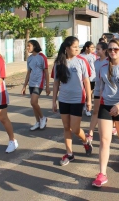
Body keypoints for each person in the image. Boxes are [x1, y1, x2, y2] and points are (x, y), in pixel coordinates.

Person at [92, 39, 119, 187]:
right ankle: (102, 174)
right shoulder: (103, 67)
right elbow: (100, 87)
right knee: (104, 140)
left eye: (116, 49)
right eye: (110, 49)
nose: (112, 52)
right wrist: (96, 105)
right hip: (106, 105)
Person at [52, 36, 93, 165]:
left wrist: (89, 100)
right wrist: (54, 101)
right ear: (67, 48)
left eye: (78, 47)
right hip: (63, 99)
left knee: (75, 129)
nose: (77, 49)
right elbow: (56, 83)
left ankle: (86, 141)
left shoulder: (81, 61)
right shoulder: (58, 63)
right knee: (66, 127)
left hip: (77, 99)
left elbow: (86, 81)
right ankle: (69, 154)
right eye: (75, 47)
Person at [22, 40, 50, 131]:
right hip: (32, 83)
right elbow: (28, 72)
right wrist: (24, 85)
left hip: (39, 82)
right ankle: (37, 122)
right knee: (34, 104)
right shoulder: (29, 59)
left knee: (33, 102)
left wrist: (47, 86)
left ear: (34, 46)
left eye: (29, 46)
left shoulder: (42, 57)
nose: (27, 47)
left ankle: (43, 118)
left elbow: (46, 72)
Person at [86, 42, 108, 145]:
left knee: (108, 113)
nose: (96, 51)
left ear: (104, 50)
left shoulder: (109, 62)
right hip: (98, 89)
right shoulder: (96, 62)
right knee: (95, 111)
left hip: (108, 92)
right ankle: (90, 133)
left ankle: (111, 128)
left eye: (98, 49)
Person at [79, 41, 97, 117]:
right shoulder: (80, 56)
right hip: (83, 77)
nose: (93, 49)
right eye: (91, 47)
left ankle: (87, 107)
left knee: (90, 93)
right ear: (87, 48)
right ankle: (84, 106)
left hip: (92, 77)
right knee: (84, 92)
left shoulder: (94, 56)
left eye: (94, 48)